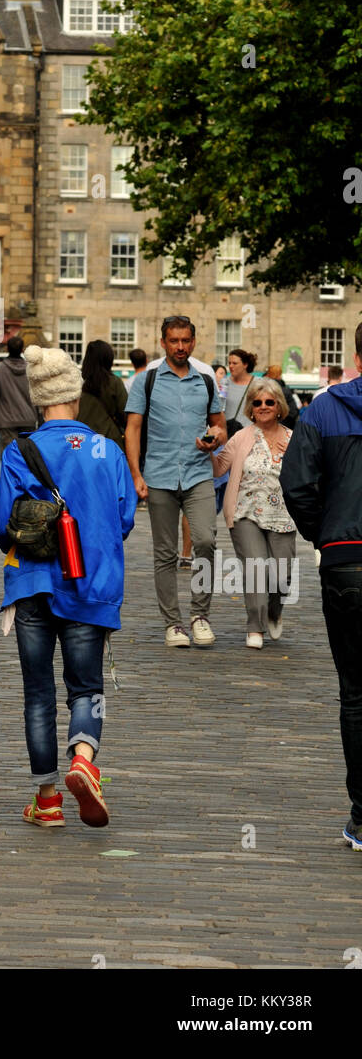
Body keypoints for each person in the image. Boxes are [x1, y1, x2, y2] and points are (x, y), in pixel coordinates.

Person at [0, 345, 137, 829]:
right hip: (90, 583)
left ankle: (48, 799)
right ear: (75, 398)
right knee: (86, 687)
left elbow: (0, 527)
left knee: (37, 693)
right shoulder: (108, 450)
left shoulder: (19, 452)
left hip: (32, 583)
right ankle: (82, 759)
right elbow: (123, 519)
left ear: (38, 402)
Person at [280, 322, 362, 851]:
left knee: (355, 693)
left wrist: (326, 535)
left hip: (346, 561)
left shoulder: (323, 410)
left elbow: (297, 484)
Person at [125, 316, 226, 647]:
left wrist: (213, 438)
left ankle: (200, 615)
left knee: (206, 541)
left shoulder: (206, 380)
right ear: (163, 342)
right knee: (165, 553)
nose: (180, 347)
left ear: (194, 342)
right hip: (160, 474)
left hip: (198, 473)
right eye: (174, 341)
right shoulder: (148, 380)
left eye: (186, 341)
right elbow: (134, 428)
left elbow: (220, 425)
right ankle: (173, 623)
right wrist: (136, 475)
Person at [212, 379, 295, 648]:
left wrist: (294, 457)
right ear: (251, 407)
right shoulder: (242, 436)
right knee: (256, 568)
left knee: (282, 576)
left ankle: (274, 610)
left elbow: (310, 474)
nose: (263, 407)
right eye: (257, 402)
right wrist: (208, 450)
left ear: (279, 405)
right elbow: (219, 468)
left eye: (269, 402)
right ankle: (254, 626)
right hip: (245, 512)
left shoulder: (294, 439)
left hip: (283, 515)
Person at [0, 334, 38, 455]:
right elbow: (37, 395)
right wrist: (40, 420)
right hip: (28, 420)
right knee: (28, 459)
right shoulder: (31, 370)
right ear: (22, 350)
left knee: (11, 458)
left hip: (7, 421)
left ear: (7, 349)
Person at [77, 339, 127, 448]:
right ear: (108, 359)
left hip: (80, 441)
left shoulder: (77, 382)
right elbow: (125, 415)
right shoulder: (114, 382)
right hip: (109, 441)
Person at [224, 349, 257, 433]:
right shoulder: (224, 383)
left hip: (250, 433)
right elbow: (220, 406)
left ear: (245, 365)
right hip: (229, 432)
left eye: (234, 363)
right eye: (229, 363)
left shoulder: (257, 383)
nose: (231, 366)